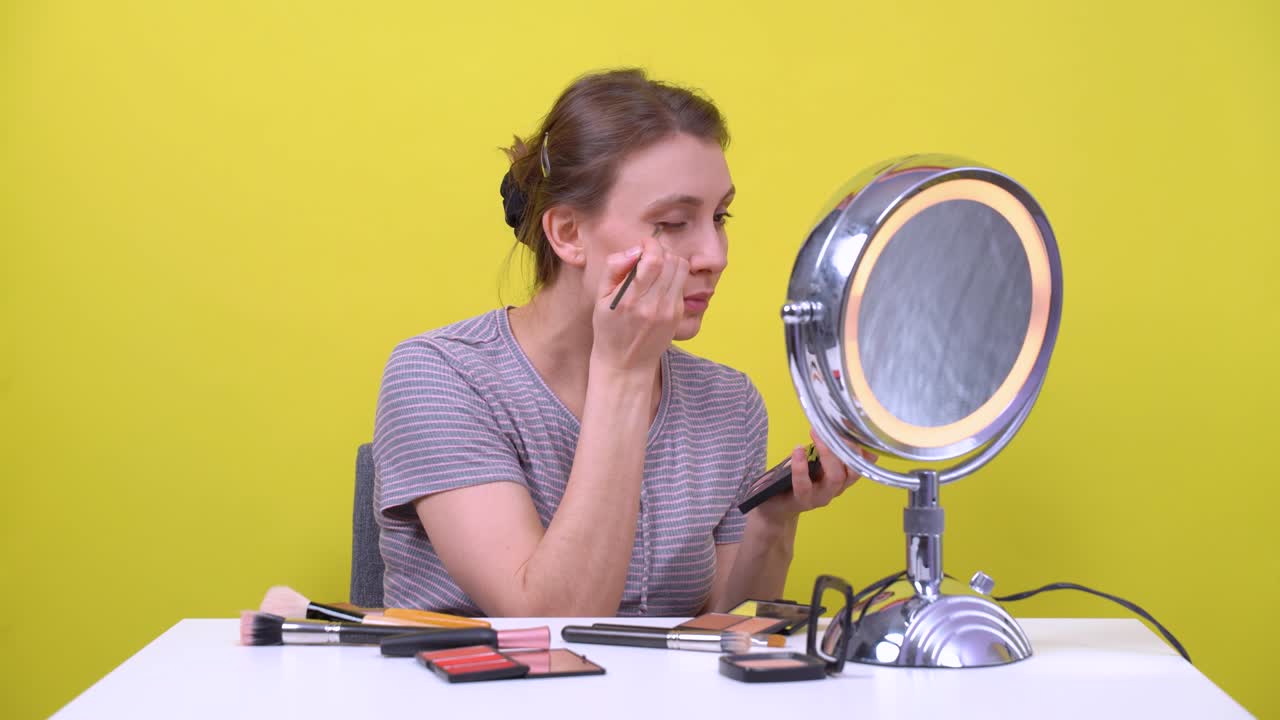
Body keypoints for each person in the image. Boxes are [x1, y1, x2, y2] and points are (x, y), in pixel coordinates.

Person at [372, 68, 864, 617]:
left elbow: (715, 627)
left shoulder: (729, 403)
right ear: (568, 234)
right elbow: (552, 625)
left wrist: (773, 521)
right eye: (674, 222)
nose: (715, 254)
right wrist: (624, 372)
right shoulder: (440, 377)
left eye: (720, 216)